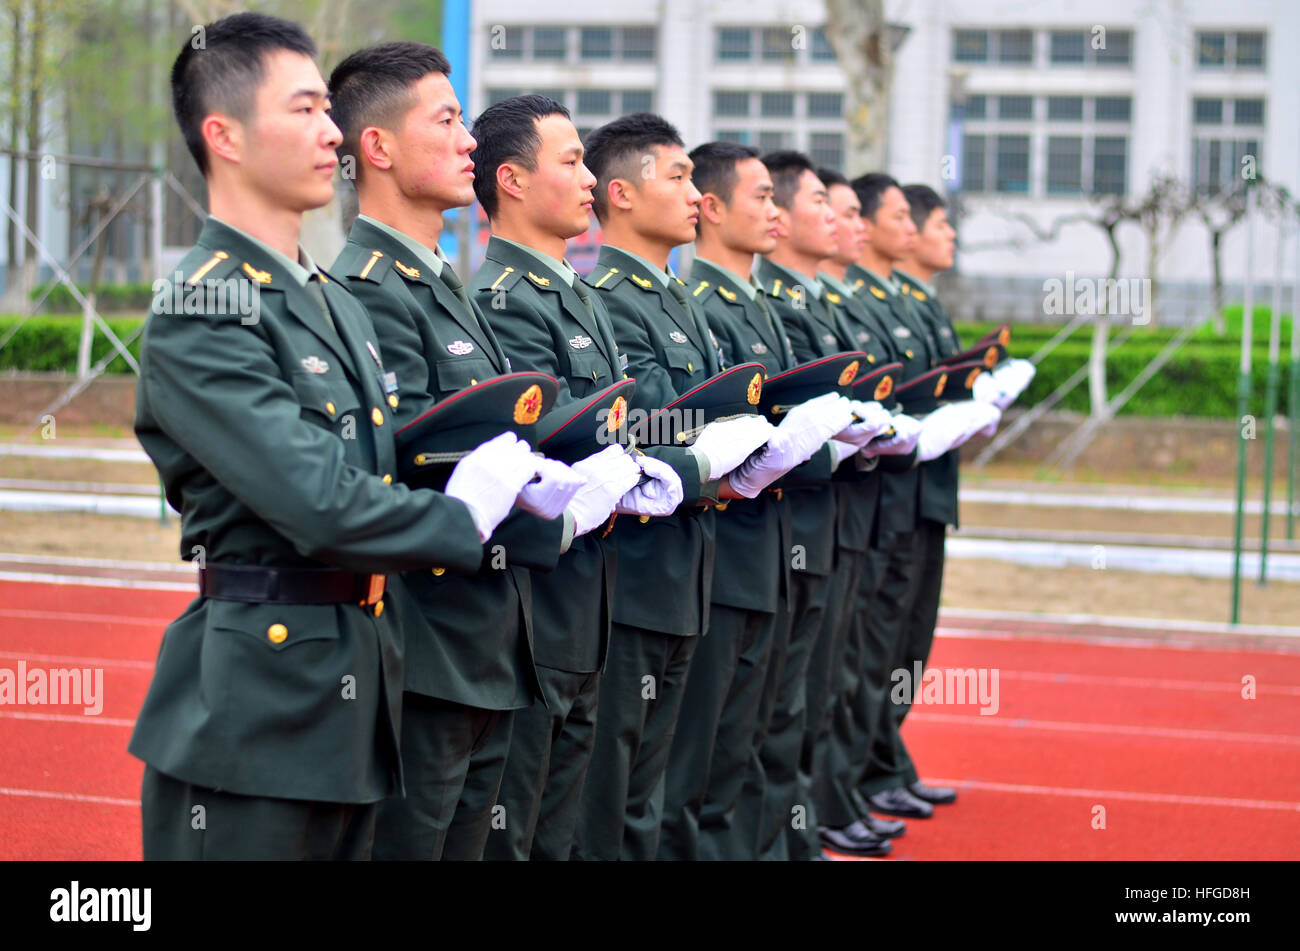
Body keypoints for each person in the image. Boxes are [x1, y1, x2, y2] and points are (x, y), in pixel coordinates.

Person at [129, 12, 540, 860]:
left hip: (359, 702)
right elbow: (316, 499)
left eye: (329, 110)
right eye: (306, 110)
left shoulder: (333, 300)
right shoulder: (204, 306)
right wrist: (463, 519)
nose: (331, 133)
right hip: (260, 713)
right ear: (225, 136)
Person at [327, 42, 619, 860]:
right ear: (377, 149)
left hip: (494, 643)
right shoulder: (370, 294)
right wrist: (556, 516)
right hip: (428, 654)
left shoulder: (448, 288)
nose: (469, 143)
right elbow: (413, 480)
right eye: (447, 120)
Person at [466, 95, 684, 859]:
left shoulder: (579, 294)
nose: (588, 178)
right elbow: (554, 441)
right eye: (570, 162)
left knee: (562, 819)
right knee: (518, 820)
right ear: (514, 181)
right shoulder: (503, 301)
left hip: (595, 591)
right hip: (543, 596)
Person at [575, 113, 791, 860]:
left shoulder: (678, 299)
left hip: (689, 566)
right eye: (678, 177)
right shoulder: (610, 296)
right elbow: (651, 424)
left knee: (660, 784)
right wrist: (731, 435)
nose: (696, 194)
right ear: (623, 194)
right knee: (615, 792)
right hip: (636, 573)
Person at [675, 142, 867, 859]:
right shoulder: (708, 304)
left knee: (768, 721)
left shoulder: (760, 304)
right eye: (764, 197)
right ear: (715, 207)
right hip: (731, 541)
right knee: (711, 747)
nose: (778, 213)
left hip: (783, 532)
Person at [752, 151, 902, 858]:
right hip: (777, 527)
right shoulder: (770, 302)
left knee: (821, 685)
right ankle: (803, 821)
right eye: (824, 204)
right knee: (776, 704)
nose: (844, 223)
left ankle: (813, 816)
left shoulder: (816, 302)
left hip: (836, 514)